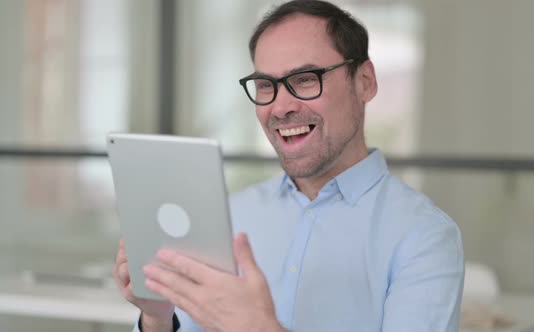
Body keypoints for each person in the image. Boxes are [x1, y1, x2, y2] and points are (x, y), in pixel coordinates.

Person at [114, 1, 465, 331]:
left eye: (305, 79)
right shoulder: (230, 217)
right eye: (266, 85)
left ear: (365, 82)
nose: (280, 107)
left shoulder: (424, 237)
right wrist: (157, 317)